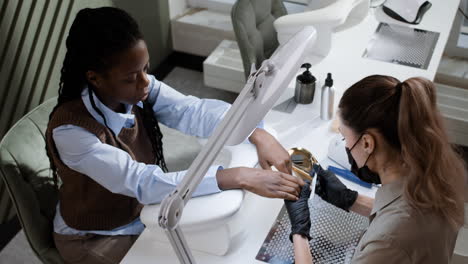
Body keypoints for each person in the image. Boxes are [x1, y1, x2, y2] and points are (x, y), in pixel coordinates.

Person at [45, 7, 304, 264]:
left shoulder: (139, 88)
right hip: (97, 235)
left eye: (145, 68)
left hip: (140, 212)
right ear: (95, 78)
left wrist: (256, 133)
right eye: (131, 77)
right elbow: (141, 182)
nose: (146, 81)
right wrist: (236, 176)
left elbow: (193, 112)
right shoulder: (71, 132)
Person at [285, 75, 466, 263]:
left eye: (345, 138)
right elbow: (402, 209)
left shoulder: (390, 242)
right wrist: (349, 199)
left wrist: (299, 231)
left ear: (367, 143)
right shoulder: (435, 172)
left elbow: (397, 226)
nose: (345, 146)